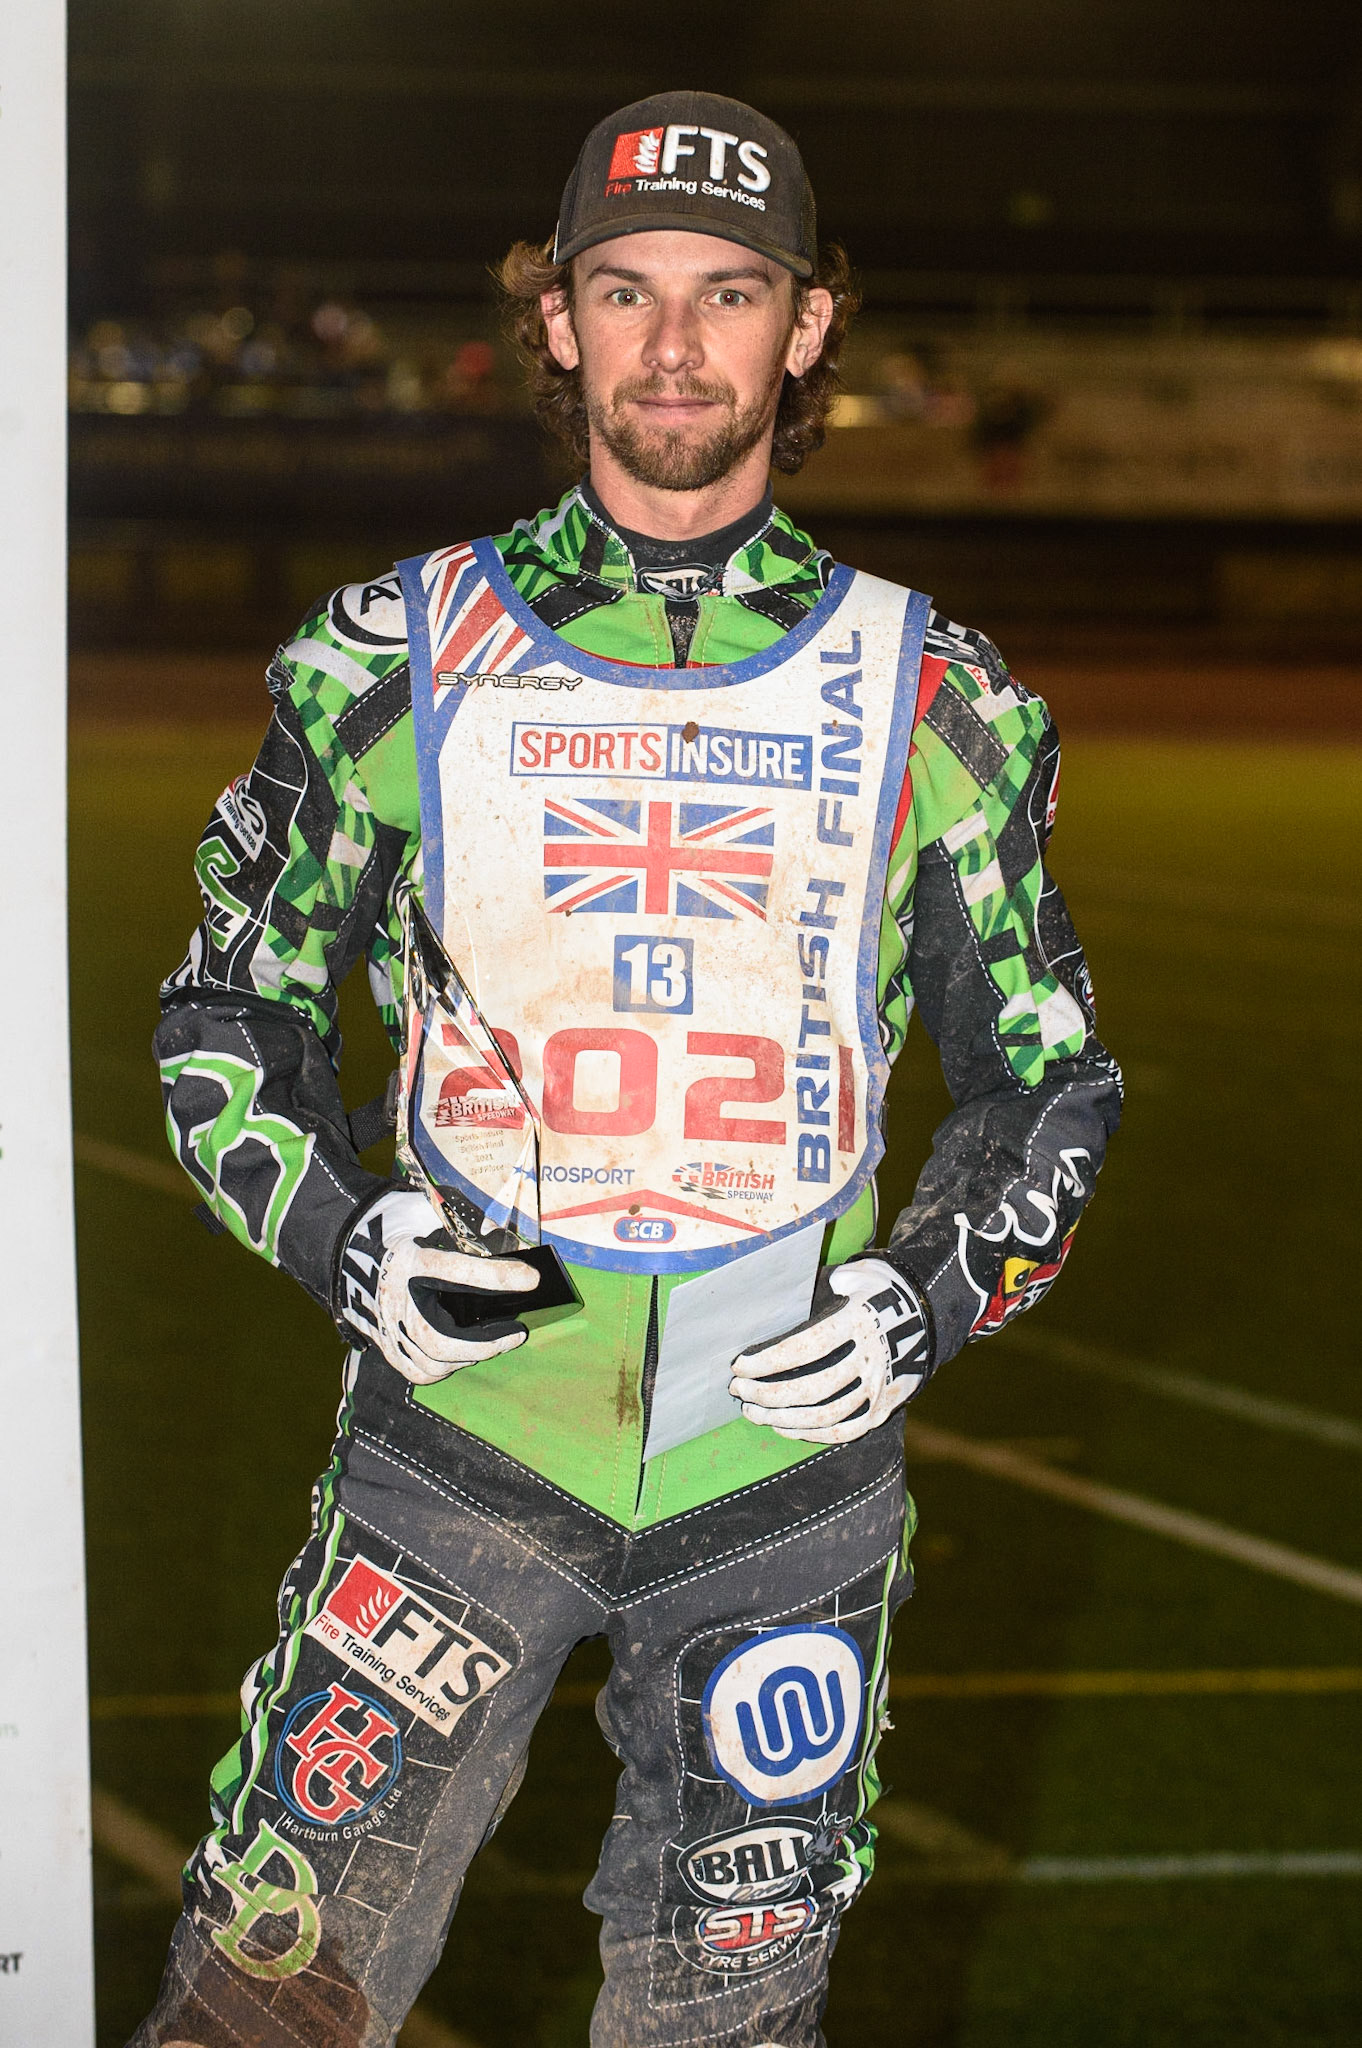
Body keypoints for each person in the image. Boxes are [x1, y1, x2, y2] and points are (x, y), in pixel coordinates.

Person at [132, 90, 1120, 2048]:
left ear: (809, 327)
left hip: (789, 1480)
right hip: (464, 1444)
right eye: (629, 290)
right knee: (267, 2006)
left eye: (730, 293)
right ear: (558, 319)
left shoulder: (944, 694)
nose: (678, 343)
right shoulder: (391, 656)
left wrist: (921, 1302)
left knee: (724, 2033)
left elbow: (1048, 1087)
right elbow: (225, 1014)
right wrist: (348, 1238)